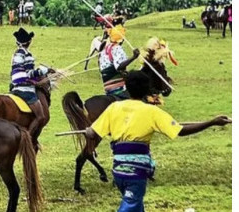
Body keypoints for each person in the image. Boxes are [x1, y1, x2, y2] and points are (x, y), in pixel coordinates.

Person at [85, 70, 231, 212]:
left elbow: (92, 133)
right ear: (147, 90)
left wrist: (88, 130)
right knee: (131, 204)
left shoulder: (113, 108)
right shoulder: (152, 112)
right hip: (136, 172)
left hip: (118, 172)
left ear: (127, 88)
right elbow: (180, 131)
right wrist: (211, 122)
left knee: (135, 204)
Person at [9, 28, 52, 137]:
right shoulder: (26, 54)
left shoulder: (16, 54)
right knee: (41, 116)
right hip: (25, 88)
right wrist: (44, 70)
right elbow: (28, 73)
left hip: (15, 86)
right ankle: (27, 138)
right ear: (28, 42)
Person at [97, 26, 139, 99]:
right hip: (117, 86)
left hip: (107, 85)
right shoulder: (117, 48)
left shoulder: (106, 49)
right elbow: (119, 66)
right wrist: (134, 57)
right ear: (122, 39)